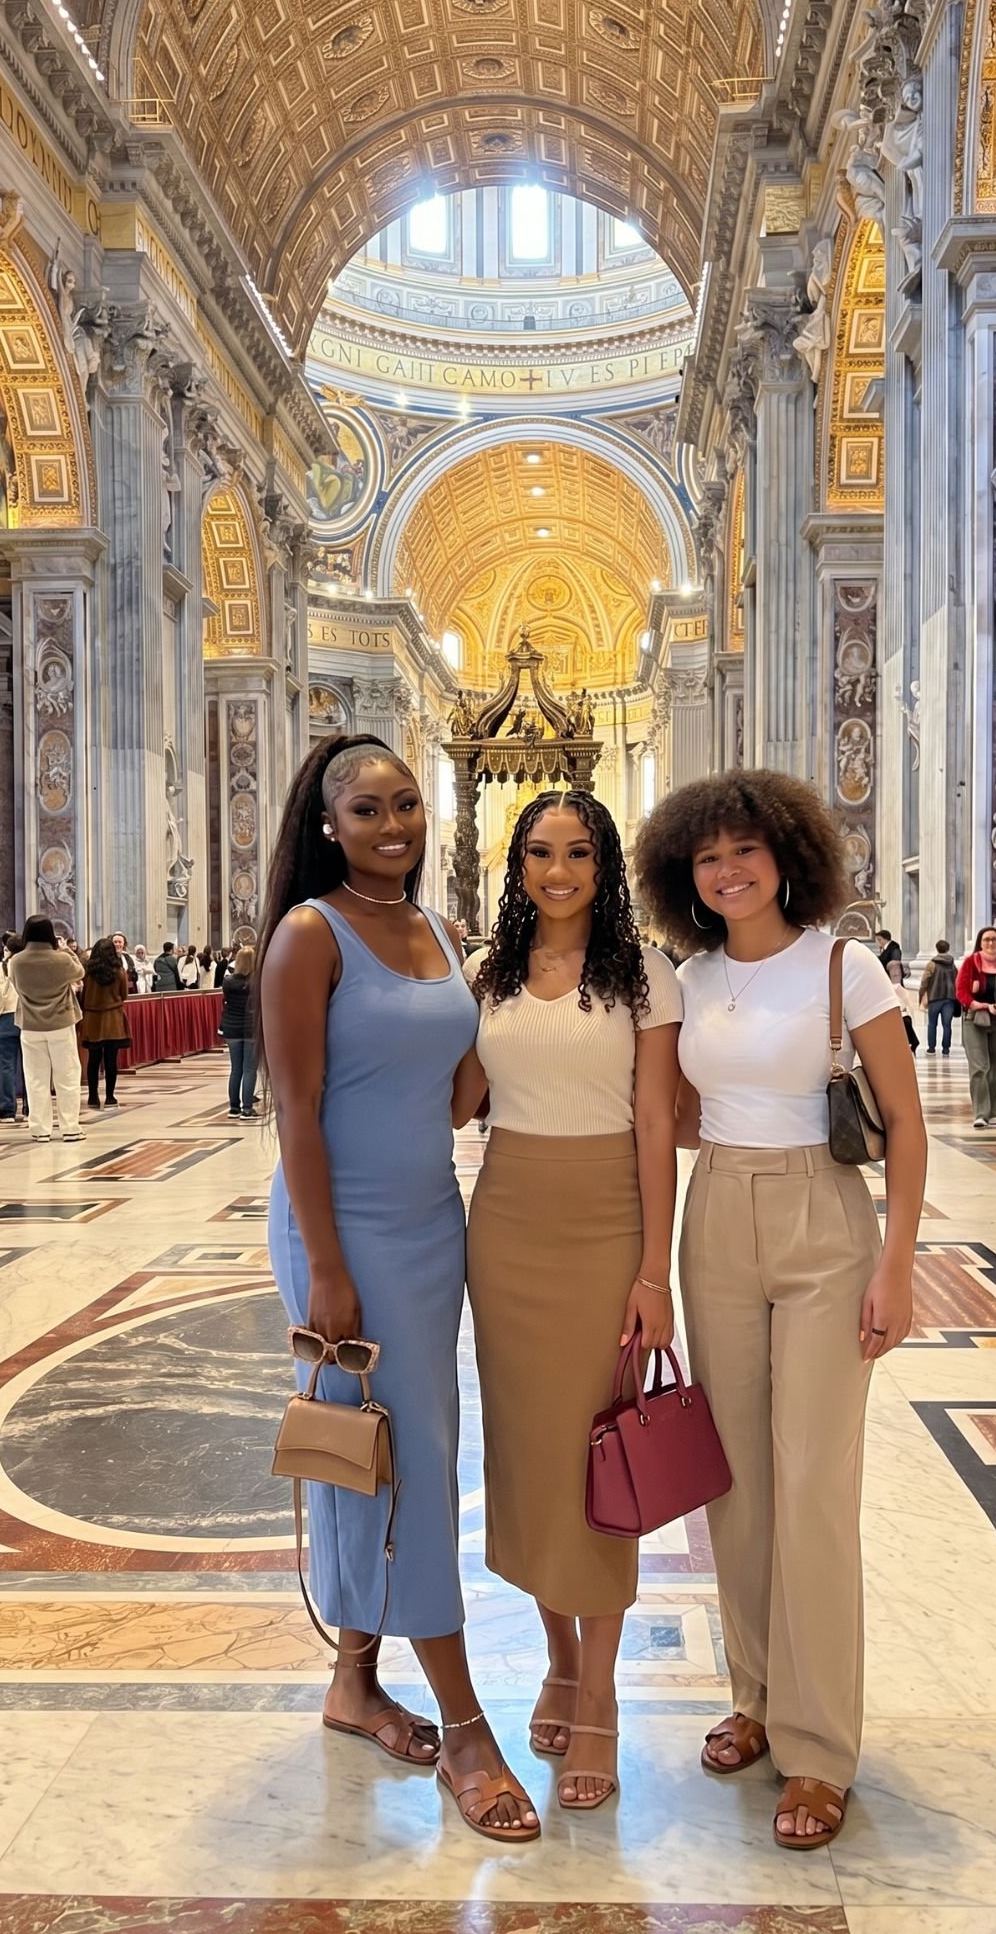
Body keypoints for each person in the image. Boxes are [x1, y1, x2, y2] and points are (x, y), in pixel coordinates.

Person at [635, 769, 926, 1852]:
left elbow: (904, 1121)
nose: (727, 870)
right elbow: (670, 1110)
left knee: (811, 1482)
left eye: (744, 850)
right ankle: (755, 1690)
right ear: (684, 872)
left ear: (786, 855)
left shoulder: (844, 965)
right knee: (740, 1479)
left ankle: (819, 1745)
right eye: (706, 856)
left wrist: (896, 1265)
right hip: (718, 1213)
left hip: (823, 1218)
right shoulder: (689, 976)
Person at [256, 733, 539, 1844]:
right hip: (345, 1231)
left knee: (388, 1448)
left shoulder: (439, 932)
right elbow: (296, 1112)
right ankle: (467, 1725)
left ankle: (355, 1683)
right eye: (368, 808)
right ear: (329, 824)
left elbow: (462, 1094)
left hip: (432, 1220)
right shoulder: (306, 936)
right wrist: (325, 1265)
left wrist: (508, 990)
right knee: (409, 1464)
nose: (394, 825)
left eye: (408, 804)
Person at [454, 790, 681, 1812]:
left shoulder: (646, 975)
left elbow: (653, 1125)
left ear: (604, 864)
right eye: (540, 851)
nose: (558, 869)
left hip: (605, 1224)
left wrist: (652, 1270)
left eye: (578, 851)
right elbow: (455, 1100)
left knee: (600, 1458)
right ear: (518, 864)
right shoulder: (484, 975)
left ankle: (600, 1694)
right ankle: (553, 1655)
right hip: (506, 1223)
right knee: (532, 1454)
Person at [9, 916, 85, 1143]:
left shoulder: (17, 961)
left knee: (35, 1079)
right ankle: (70, 1127)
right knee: (67, 1076)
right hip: (60, 1023)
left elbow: (14, 983)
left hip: (30, 1026)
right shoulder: (60, 959)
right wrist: (65, 950)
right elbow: (79, 971)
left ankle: (40, 1129)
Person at [956, 927, 996, 1125]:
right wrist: (977, 1005)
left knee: (995, 1069)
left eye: (994, 940)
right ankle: (980, 1114)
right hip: (974, 1018)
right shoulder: (970, 962)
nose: (990, 944)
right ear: (980, 943)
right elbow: (961, 991)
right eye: (986, 940)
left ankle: (992, 1111)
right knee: (979, 1067)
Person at [79, 937, 130, 1108]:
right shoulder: (119, 971)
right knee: (111, 1059)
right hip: (113, 1018)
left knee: (93, 1059)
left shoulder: (87, 973)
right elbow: (124, 995)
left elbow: (82, 996)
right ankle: (110, 1097)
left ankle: (93, 1097)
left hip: (93, 1018)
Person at [0, 933, 27, 1123]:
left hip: (3, 1019)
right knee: (29, 1067)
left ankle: (7, 1111)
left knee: (5, 1067)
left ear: (6, 949)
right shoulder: (27, 966)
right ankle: (30, 1109)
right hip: (26, 1018)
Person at [222, 945, 258, 1118]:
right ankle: (247, 1108)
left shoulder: (228, 982)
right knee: (250, 1069)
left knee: (236, 1069)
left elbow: (227, 1001)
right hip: (251, 1027)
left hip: (231, 1027)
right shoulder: (257, 982)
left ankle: (234, 1107)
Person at [918, 939, 957, 1056]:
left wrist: (921, 993)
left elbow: (925, 981)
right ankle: (946, 1049)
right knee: (947, 1025)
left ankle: (931, 1048)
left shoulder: (932, 964)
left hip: (934, 997)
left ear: (937, 949)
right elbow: (957, 979)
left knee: (932, 1024)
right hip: (949, 998)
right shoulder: (952, 964)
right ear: (948, 949)